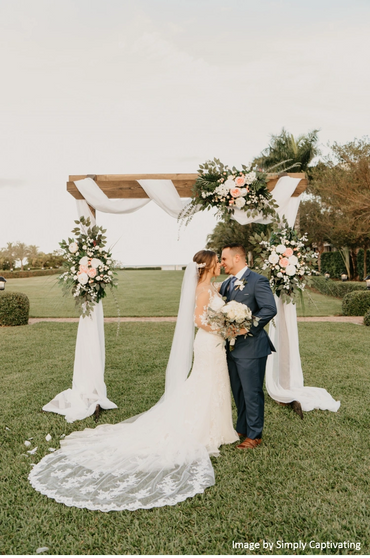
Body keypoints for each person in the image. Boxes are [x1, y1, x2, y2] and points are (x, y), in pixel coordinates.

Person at [29, 250, 239, 512]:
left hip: (215, 344)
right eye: (217, 261)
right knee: (205, 383)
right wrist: (226, 329)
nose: (220, 264)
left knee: (212, 384)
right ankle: (203, 429)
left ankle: (216, 427)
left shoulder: (211, 286)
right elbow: (198, 319)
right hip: (209, 343)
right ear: (207, 265)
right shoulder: (202, 289)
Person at [220, 243, 277, 450]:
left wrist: (247, 328)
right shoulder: (227, 284)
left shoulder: (257, 280)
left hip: (252, 348)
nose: (221, 263)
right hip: (232, 349)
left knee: (252, 393)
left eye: (224, 258)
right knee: (239, 391)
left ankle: (255, 435)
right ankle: (242, 428)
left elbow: (269, 308)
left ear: (237, 258)